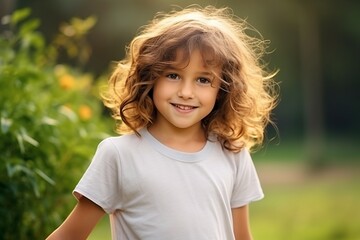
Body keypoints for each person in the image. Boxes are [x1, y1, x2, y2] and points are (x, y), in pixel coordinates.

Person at [46, 5, 278, 240]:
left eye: (203, 79)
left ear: (223, 90)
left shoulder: (233, 153)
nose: (186, 92)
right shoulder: (118, 155)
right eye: (173, 75)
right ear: (150, 77)